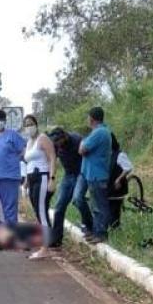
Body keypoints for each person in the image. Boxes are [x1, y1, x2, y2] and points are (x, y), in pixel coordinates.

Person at [46, 127, 94, 247]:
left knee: (77, 200)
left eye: (58, 141)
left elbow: (88, 155)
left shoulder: (77, 139)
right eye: (55, 142)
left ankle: (89, 225)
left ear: (65, 136)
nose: (57, 144)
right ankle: (56, 238)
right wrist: (51, 178)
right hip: (68, 176)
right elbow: (52, 160)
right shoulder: (56, 145)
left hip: (80, 174)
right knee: (59, 206)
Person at [22, 115, 57, 259]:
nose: (29, 127)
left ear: (36, 124)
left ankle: (45, 248)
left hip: (42, 176)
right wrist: (26, 181)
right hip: (32, 178)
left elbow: (52, 157)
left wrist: (52, 178)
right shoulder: (29, 142)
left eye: (31, 124)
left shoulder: (43, 138)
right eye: (26, 125)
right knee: (37, 210)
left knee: (42, 211)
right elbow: (28, 162)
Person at [78, 106, 112, 243]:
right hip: (93, 174)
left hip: (97, 174)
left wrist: (83, 143)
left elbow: (82, 149)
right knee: (96, 205)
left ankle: (101, 233)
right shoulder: (101, 132)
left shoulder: (99, 133)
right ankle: (96, 231)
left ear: (91, 118)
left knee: (100, 205)